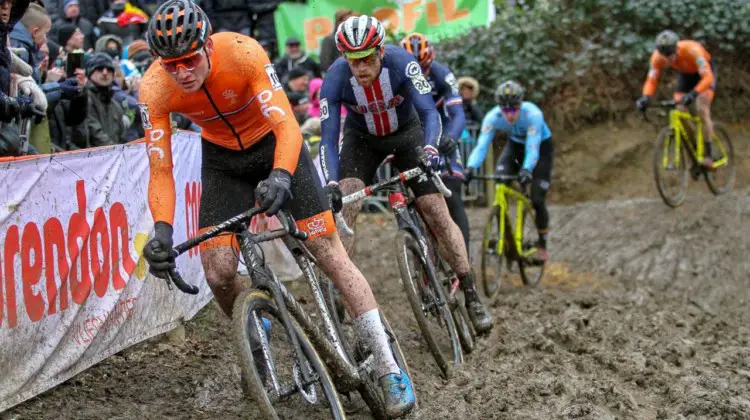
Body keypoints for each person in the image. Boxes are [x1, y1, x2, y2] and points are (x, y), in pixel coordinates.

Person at [138, 2, 415, 416]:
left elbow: (286, 124)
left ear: (208, 47)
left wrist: (282, 176)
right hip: (223, 162)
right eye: (170, 64)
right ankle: (256, 336)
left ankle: (390, 367)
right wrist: (161, 230)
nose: (181, 72)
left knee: (329, 253)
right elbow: (160, 169)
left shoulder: (244, 52)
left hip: (275, 146)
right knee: (217, 270)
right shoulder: (153, 88)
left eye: (189, 60)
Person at [319, 15, 493, 334]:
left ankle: (470, 292)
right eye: (353, 60)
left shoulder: (403, 63)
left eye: (367, 58)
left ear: (381, 51)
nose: (360, 68)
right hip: (362, 141)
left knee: (436, 212)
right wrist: (331, 182)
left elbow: (429, 112)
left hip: (406, 134)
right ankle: (340, 294)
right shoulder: (335, 78)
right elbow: (329, 137)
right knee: (345, 208)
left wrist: (430, 150)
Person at [465, 81, 553, 263]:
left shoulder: (533, 114)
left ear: (521, 105)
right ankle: (504, 234)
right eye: (505, 110)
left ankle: (542, 243)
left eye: (514, 110)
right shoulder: (492, 117)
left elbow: (533, 146)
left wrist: (527, 169)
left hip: (541, 148)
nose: (509, 114)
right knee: (500, 181)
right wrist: (470, 167)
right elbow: (482, 145)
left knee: (537, 198)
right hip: (515, 145)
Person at [400, 32, 470, 253]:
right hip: (414, 138)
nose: (419, 73)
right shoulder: (396, 75)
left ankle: (464, 261)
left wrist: (451, 137)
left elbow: (458, 114)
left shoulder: (441, 74)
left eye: (423, 67)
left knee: (452, 195)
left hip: (441, 137)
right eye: (414, 68)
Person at [636, 30, 717, 169]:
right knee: (679, 109)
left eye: (670, 54)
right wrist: (646, 97)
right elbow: (651, 80)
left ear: (676, 48)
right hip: (685, 76)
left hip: (704, 75)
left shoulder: (692, 50)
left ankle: (709, 154)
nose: (668, 59)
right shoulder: (657, 57)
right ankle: (695, 148)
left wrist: (693, 94)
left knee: (701, 109)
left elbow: (708, 78)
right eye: (664, 56)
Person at [84, 52, 127, 146]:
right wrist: (114, 152)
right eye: (99, 69)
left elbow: (122, 137)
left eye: (109, 69)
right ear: (90, 72)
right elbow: (94, 132)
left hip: (114, 157)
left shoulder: (116, 106)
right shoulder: (84, 98)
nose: (105, 72)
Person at [318, 8, 353, 72]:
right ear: (338, 23)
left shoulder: (353, 39)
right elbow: (324, 64)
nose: (350, 24)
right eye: (346, 21)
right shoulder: (329, 40)